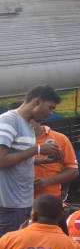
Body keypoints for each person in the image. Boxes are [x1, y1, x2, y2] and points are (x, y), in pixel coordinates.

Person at [0, 87, 62, 236]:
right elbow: (1, 160)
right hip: (9, 205)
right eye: (50, 107)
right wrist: (37, 149)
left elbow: (18, 157)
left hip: (24, 202)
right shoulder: (9, 120)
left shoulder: (27, 125)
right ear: (37, 101)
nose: (51, 113)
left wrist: (44, 160)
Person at [31, 116, 78, 200]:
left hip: (49, 199)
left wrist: (49, 181)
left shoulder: (60, 138)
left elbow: (73, 171)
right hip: (17, 199)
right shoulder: (12, 140)